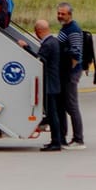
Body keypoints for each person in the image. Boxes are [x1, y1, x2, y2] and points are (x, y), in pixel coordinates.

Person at [34, 19, 69, 150]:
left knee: (52, 114)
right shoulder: (54, 41)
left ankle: (56, 142)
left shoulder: (47, 45)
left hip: (50, 84)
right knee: (57, 112)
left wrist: (25, 47)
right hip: (56, 83)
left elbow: (39, 60)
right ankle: (60, 139)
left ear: (39, 31)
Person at [56, 2, 86, 146]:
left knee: (72, 106)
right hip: (66, 73)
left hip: (70, 73)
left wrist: (70, 72)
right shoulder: (65, 28)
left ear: (70, 15)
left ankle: (78, 139)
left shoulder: (73, 30)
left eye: (63, 14)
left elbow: (76, 53)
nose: (60, 16)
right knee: (64, 105)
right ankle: (62, 136)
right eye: (59, 13)